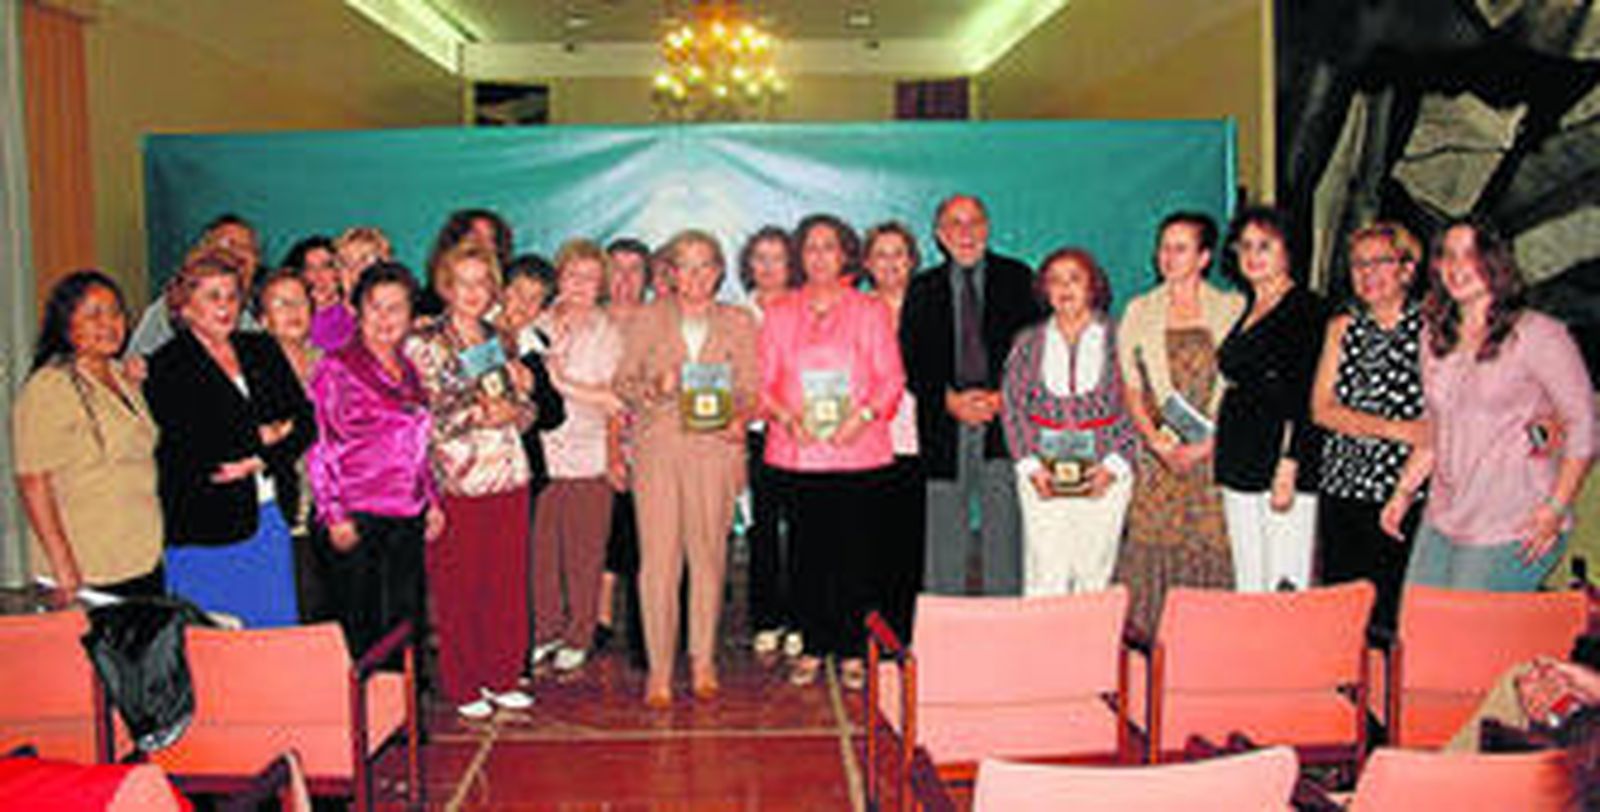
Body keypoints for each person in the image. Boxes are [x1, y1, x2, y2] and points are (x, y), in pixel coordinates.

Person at [1383, 219, 1596, 590]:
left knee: (1469, 639)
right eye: (1448, 255)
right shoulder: (1433, 337)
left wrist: (1555, 508)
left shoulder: (1538, 334)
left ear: (1495, 263)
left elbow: (1585, 426)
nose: (1457, 267)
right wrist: (1402, 492)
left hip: (1512, 520)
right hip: (1444, 515)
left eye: (1471, 255)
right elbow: (1436, 427)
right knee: (1417, 632)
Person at [759, 214, 904, 689]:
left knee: (856, 555)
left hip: (857, 448)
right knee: (806, 554)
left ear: (845, 255)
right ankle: (814, 644)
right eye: (810, 248)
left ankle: (851, 650)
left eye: (829, 247)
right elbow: (762, 383)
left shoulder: (870, 310)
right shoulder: (779, 311)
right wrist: (786, 417)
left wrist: (860, 418)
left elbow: (891, 379)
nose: (819, 256)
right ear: (801, 258)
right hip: (798, 450)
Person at [615, 230, 759, 707]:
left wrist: (741, 418)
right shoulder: (646, 319)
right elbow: (623, 383)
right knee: (657, 562)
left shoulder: (738, 321)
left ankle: (703, 660)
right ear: (670, 273)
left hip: (716, 451)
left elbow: (752, 389)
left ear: (719, 271)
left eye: (705, 265)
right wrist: (656, 385)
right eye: (685, 266)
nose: (695, 276)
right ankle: (658, 669)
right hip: (659, 450)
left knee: (709, 559)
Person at [144, 249, 314, 627]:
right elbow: (195, 445)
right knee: (212, 652)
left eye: (233, 296)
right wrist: (265, 433)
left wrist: (262, 456)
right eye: (213, 296)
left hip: (269, 517)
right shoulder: (166, 367)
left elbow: (305, 422)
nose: (226, 306)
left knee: (273, 640)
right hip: (204, 528)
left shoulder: (262, 349)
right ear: (185, 307)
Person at [405, 241, 538, 718]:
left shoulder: (499, 339)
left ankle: (502, 675)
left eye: (483, 282)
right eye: (464, 282)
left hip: (509, 472)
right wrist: (478, 414)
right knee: (458, 585)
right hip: (456, 479)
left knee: (505, 582)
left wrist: (522, 400)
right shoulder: (424, 341)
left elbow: (524, 412)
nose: (474, 292)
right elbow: (422, 414)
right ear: (445, 285)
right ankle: (462, 684)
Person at [901, 194, 1042, 596]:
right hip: (944, 421)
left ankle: (1006, 623)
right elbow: (911, 358)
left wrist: (1004, 398)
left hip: (1006, 421)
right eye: (955, 224)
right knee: (943, 532)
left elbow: (1034, 349)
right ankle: (945, 626)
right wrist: (947, 400)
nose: (966, 232)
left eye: (974, 222)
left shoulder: (1017, 278)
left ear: (987, 228)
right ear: (940, 235)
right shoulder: (923, 288)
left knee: (1005, 531)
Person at [1114, 212, 1243, 634]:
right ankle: (1152, 644)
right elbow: (1131, 388)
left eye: (1180, 248)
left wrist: (1209, 443)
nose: (1168, 256)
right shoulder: (1139, 309)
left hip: (1214, 452)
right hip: (1159, 455)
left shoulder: (1232, 308)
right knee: (1152, 542)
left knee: (1211, 542)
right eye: (1164, 247)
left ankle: (1208, 641)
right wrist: (1155, 442)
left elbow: (1242, 389)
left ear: (1204, 257)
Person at [308, 262, 444, 657]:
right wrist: (334, 513)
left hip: (406, 513)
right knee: (358, 625)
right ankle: (361, 713)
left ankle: (401, 710)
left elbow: (418, 443)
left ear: (411, 315)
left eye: (396, 308)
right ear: (358, 312)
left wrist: (431, 500)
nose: (385, 318)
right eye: (376, 307)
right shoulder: (337, 367)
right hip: (356, 513)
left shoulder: (409, 370)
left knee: (404, 620)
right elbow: (320, 443)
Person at [13, 271, 164, 601]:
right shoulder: (50, 386)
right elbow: (33, 481)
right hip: (86, 565)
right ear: (66, 324)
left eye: (115, 313)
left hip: (139, 556)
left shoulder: (122, 375)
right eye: (93, 314)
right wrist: (63, 566)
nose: (109, 324)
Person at [1310, 222, 1427, 630]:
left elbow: (1436, 424)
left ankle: (1389, 689)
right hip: (1342, 484)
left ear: (1407, 269)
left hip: (1407, 491)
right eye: (1359, 264)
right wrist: (1395, 429)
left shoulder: (1433, 329)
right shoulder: (1342, 327)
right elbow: (1322, 410)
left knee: (1395, 606)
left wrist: (1355, 422)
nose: (1368, 273)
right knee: (1344, 603)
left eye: (1380, 262)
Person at [1001, 248, 1137, 596]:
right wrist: (1030, 466)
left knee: (1095, 569)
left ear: (1093, 286)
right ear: (1044, 290)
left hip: (1104, 469)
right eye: (1055, 280)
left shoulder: (1120, 336)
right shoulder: (1027, 341)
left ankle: (1091, 648)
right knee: (1046, 568)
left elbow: (1137, 404)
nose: (1065, 288)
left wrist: (1114, 465)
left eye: (1074, 278)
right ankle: (1046, 648)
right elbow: (1013, 406)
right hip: (1042, 471)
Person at [1215, 206, 1327, 593]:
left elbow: (1306, 397)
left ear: (1287, 251)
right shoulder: (1248, 305)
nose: (1252, 255)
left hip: (1281, 461)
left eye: (1265, 246)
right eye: (1244, 246)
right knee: (1249, 580)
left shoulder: (1306, 309)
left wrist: (1289, 463)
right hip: (1240, 457)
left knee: (1285, 580)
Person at [531, 239, 625, 674]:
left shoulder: (609, 332)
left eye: (591, 277)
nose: (581, 285)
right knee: (541, 553)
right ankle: (546, 630)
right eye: (573, 275)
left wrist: (561, 382)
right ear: (559, 277)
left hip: (589, 457)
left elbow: (614, 401)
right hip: (539, 459)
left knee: (584, 556)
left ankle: (579, 634)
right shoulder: (537, 322)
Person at [739, 226, 805, 657]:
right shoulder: (735, 315)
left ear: (791, 264)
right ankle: (766, 618)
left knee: (804, 530)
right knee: (762, 529)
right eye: (759, 258)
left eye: (777, 258)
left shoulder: (809, 309)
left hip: (803, 435)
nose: (767, 267)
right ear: (748, 266)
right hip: (755, 435)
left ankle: (802, 618)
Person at [861, 222, 927, 641]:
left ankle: (903, 634)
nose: (890, 263)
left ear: (912, 260)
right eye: (880, 255)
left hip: (919, 439)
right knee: (868, 540)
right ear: (867, 263)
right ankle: (869, 628)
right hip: (866, 441)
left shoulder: (931, 306)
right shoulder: (855, 309)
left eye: (898, 254)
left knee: (910, 542)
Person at [255, 269, 327, 621]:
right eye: (281, 304)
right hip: (278, 512)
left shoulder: (327, 364)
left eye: (300, 301)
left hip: (328, 508)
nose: (294, 310)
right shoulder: (251, 369)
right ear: (263, 318)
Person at [596, 236, 652, 660]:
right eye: (617, 269)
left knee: (642, 542)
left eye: (635, 270)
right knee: (602, 541)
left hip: (647, 448)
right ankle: (597, 622)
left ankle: (644, 632)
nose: (625, 279)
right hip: (588, 446)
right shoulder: (587, 321)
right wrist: (611, 451)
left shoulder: (657, 321)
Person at [127, 214, 262, 358]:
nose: (238, 252)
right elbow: (136, 365)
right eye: (228, 243)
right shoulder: (170, 309)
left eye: (248, 247)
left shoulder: (263, 305)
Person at [419, 209, 514, 318]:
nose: (481, 243)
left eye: (490, 238)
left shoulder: (510, 295)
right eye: (474, 235)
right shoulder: (429, 307)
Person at [310, 227, 391, 352]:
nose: (355, 271)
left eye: (364, 261)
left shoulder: (397, 318)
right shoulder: (322, 322)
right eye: (346, 262)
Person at [280, 235, 339, 338]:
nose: (318, 275)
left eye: (326, 266)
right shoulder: (289, 319)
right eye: (309, 268)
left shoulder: (357, 317)